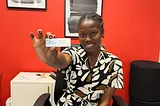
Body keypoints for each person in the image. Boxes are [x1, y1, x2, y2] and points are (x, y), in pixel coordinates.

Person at [30, 12, 123, 106]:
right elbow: (61, 60)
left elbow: (105, 101)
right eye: (82, 35)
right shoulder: (73, 54)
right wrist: (51, 58)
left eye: (93, 33)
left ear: (102, 32)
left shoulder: (114, 63)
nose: (87, 39)